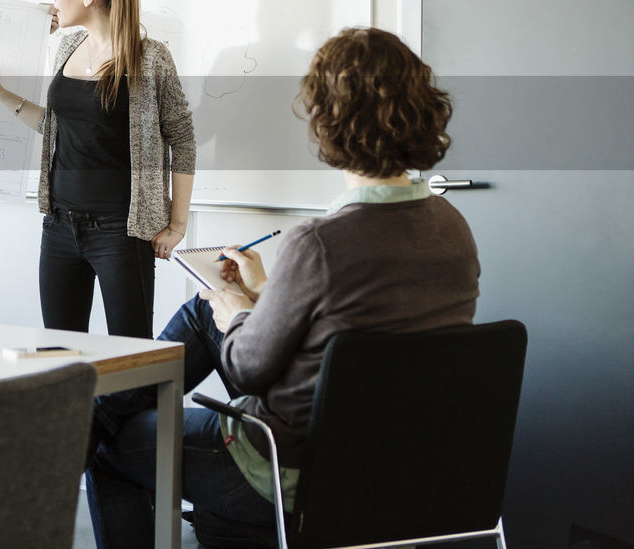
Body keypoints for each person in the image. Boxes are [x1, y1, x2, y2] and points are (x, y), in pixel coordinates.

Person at [84, 27, 481, 548]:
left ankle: (82, 425)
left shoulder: (321, 243)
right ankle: (94, 414)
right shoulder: (453, 227)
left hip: (292, 468)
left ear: (327, 122)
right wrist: (262, 291)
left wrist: (236, 311)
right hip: (398, 461)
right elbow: (349, 331)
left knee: (107, 447)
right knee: (208, 314)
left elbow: (251, 367)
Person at [0, 0, 195, 338]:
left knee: (130, 360)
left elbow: (183, 138)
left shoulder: (151, 57)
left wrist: (177, 225)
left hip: (121, 232)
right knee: (60, 355)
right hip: (59, 226)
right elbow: (56, 127)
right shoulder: (67, 44)